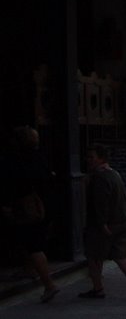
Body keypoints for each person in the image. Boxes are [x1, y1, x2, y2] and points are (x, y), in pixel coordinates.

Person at [1, 127, 59, 303]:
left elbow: (15, 183)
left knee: (34, 245)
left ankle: (49, 285)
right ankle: (29, 269)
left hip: (29, 209)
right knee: (32, 241)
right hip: (44, 206)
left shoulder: (17, 161)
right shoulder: (40, 158)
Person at [79, 144, 126, 301]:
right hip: (120, 221)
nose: (88, 161)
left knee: (94, 256)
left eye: (91, 157)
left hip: (106, 224)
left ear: (101, 158)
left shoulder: (100, 177)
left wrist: (102, 224)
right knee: (121, 256)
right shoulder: (115, 174)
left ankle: (98, 288)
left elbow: (101, 203)